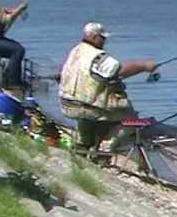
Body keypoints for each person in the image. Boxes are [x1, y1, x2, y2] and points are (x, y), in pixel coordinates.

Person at [57, 22, 157, 154]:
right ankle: (106, 146)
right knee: (132, 121)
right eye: (102, 38)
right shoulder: (98, 57)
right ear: (93, 37)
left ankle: (82, 144)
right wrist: (144, 66)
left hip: (67, 104)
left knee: (85, 116)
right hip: (88, 107)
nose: (104, 41)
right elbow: (120, 71)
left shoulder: (75, 50)